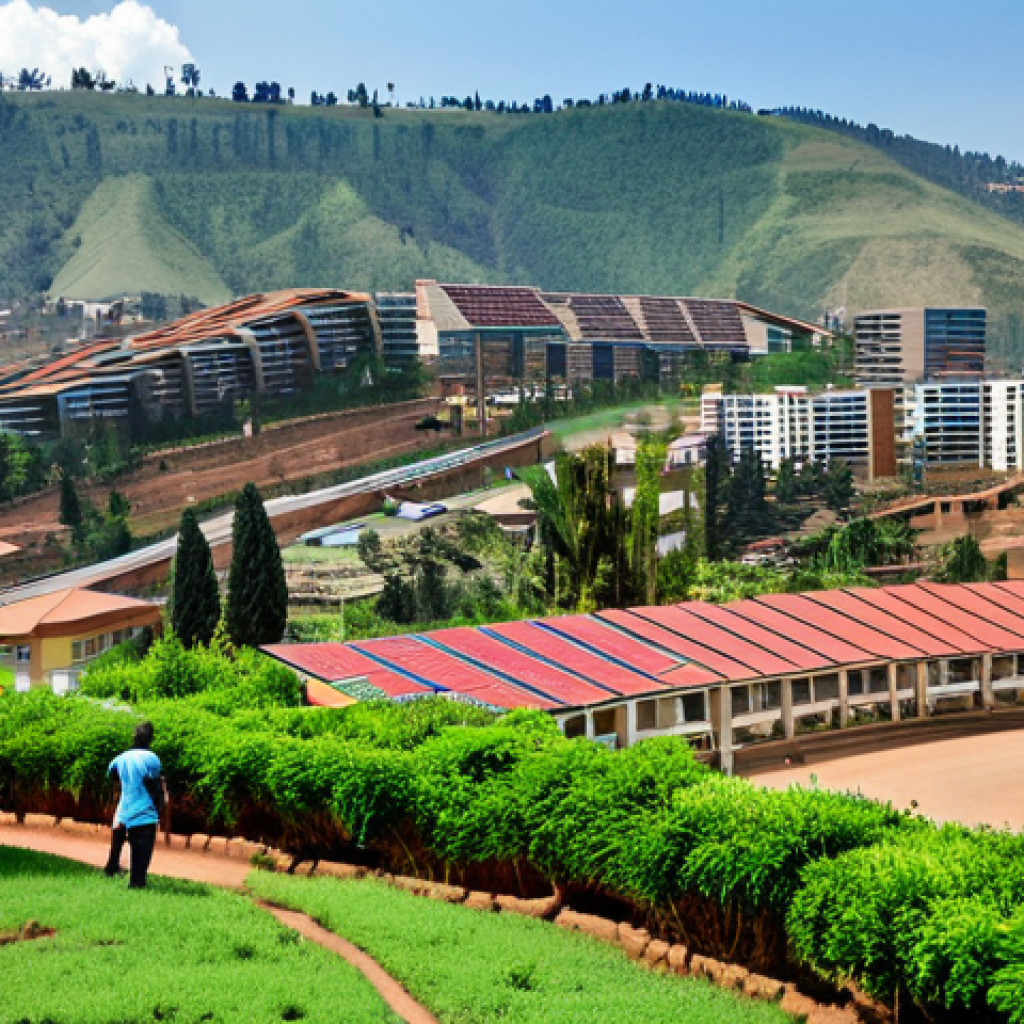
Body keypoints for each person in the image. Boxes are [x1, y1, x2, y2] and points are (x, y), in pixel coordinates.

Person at [104, 721, 165, 889]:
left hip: (123, 811)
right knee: (141, 853)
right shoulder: (152, 759)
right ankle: (136, 882)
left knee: (117, 843)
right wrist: (159, 807)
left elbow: (112, 774)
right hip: (144, 812)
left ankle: (112, 868)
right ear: (151, 739)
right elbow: (154, 783)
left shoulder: (121, 757)